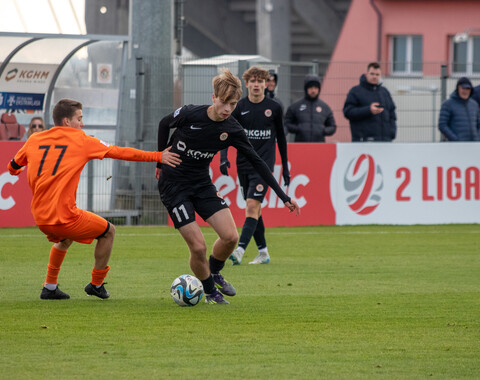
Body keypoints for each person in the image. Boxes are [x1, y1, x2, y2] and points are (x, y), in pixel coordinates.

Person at [7, 98, 181, 300]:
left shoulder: (34, 139)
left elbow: (13, 166)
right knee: (108, 231)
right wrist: (157, 156)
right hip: (64, 217)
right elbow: (120, 152)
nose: (82, 123)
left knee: (65, 239)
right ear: (66, 121)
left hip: (40, 218)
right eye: (79, 118)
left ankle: (50, 287)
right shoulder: (81, 140)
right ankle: (96, 284)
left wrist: (15, 171)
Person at [155, 69, 299, 305]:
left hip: (201, 184)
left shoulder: (231, 128)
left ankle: (213, 272)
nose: (227, 109)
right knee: (199, 247)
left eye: (232, 104)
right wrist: (160, 158)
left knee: (231, 237)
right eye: (223, 102)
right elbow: (163, 123)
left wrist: (283, 196)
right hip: (174, 186)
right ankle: (211, 292)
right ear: (214, 98)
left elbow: (257, 161)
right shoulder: (191, 114)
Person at [220, 66, 289, 266]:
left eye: (260, 81)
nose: (257, 84)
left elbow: (282, 140)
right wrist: (224, 157)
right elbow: (227, 134)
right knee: (255, 209)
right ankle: (263, 252)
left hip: (264, 166)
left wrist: (285, 167)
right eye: (253, 81)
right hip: (243, 164)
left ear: (266, 83)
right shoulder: (239, 107)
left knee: (251, 206)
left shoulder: (274, 108)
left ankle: (239, 251)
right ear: (247, 83)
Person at [343, 62, 397, 142]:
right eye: (372, 74)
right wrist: (368, 110)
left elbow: (392, 114)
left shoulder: (385, 92)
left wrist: (392, 133)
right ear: (366, 74)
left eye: (377, 74)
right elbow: (348, 112)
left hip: (385, 141)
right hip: (364, 141)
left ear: (380, 76)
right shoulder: (355, 91)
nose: (374, 77)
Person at [284, 74, 337, 142]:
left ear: (319, 89)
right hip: (300, 145)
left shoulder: (325, 107)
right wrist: (298, 129)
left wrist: (323, 130)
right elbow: (286, 123)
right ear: (306, 89)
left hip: (319, 146)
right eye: (311, 88)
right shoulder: (296, 106)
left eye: (315, 88)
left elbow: (332, 126)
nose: (313, 90)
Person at [438, 77, 480, 141]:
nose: (465, 91)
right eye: (463, 88)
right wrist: (455, 139)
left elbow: (478, 123)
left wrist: (477, 137)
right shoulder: (448, 104)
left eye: (468, 89)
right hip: (455, 145)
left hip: (473, 144)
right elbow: (442, 125)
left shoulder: (474, 105)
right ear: (458, 88)